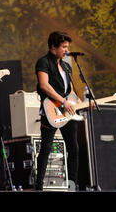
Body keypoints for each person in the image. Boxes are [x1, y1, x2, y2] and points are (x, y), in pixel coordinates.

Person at [34, 31, 85, 191]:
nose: (66, 50)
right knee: (46, 148)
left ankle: (72, 186)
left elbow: (69, 90)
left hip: (67, 112)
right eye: (63, 47)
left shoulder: (66, 65)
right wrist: (63, 101)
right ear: (53, 47)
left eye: (67, 47)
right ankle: (39, 186)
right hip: (51, 109)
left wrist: (79, 102)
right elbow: (44, 85)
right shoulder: (43, 62)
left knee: (74, 148)